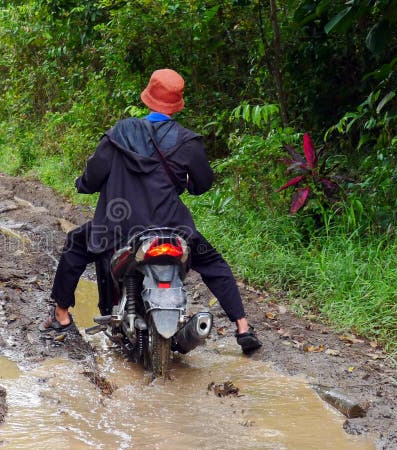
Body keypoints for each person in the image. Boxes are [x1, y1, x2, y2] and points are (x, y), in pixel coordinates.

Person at [40, 68, 262, 354]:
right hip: (172, 227)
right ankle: (243, 327)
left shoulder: (119, 134)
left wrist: (83, 184)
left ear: (148, 98)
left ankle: (61, 315)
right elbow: (202, 183)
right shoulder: (188, 142)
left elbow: (93, 175)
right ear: (177, 103)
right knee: (214, 264)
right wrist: (187, 183)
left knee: (74, 247)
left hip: (118, 226)